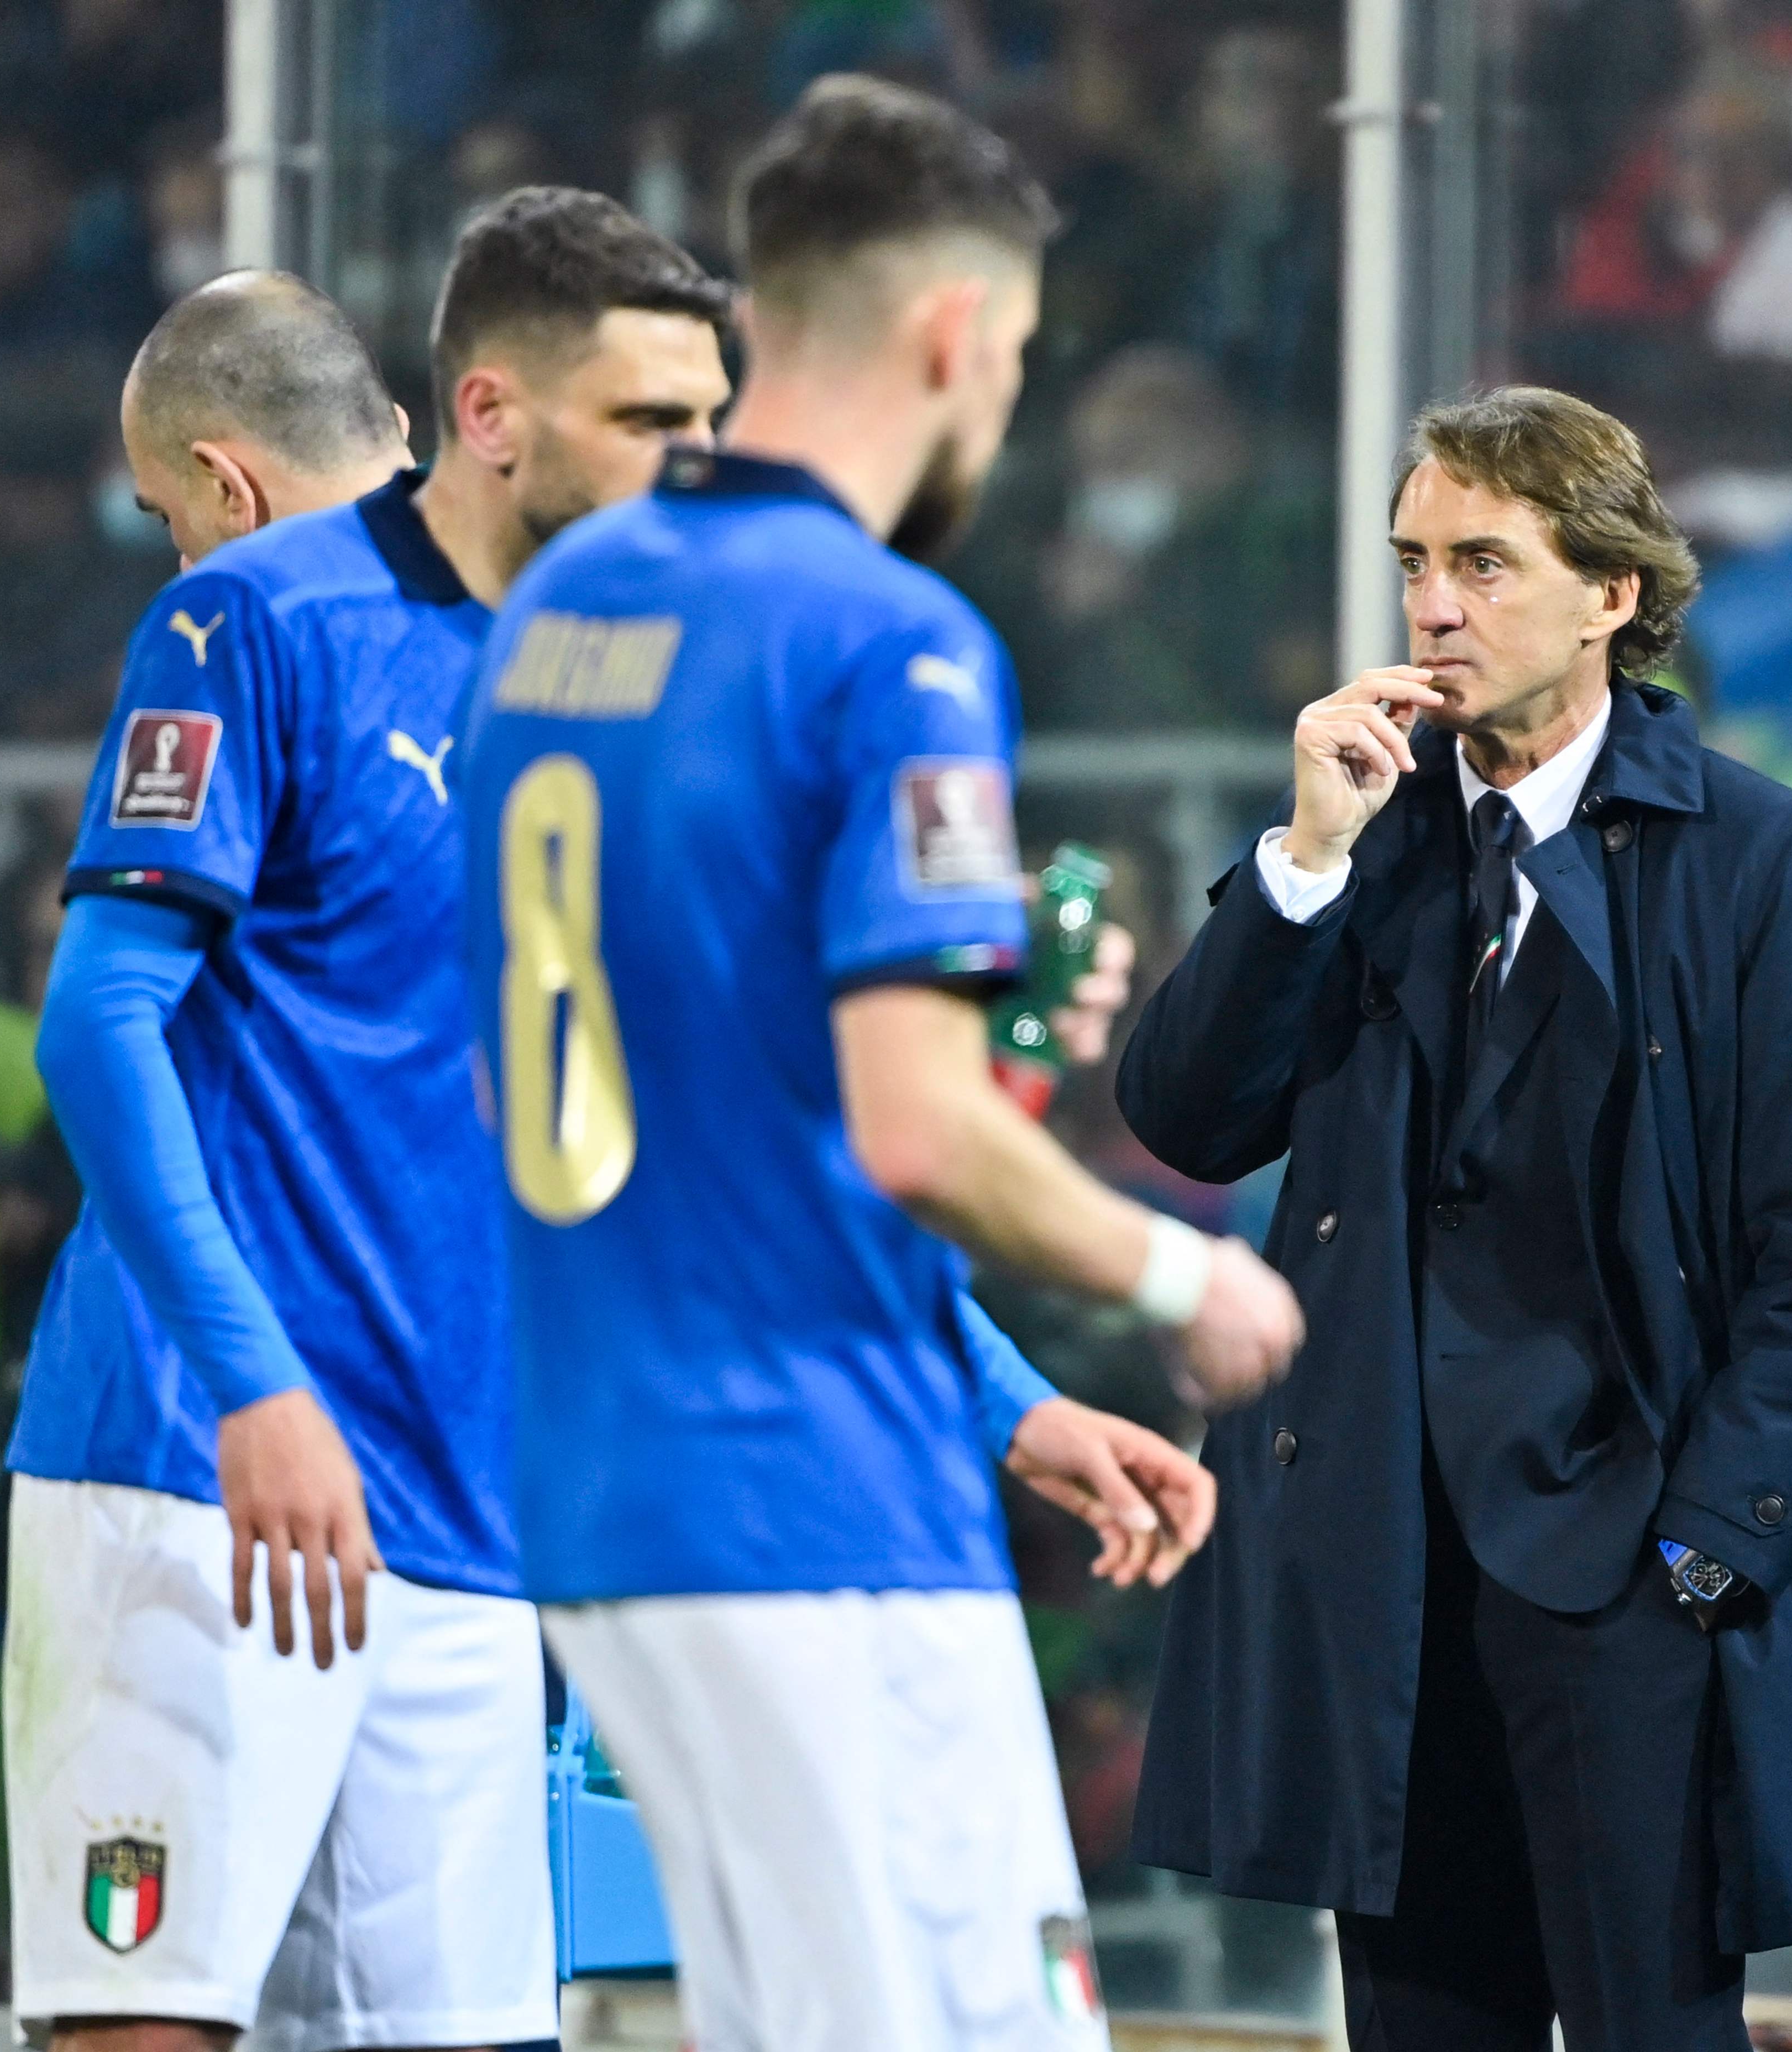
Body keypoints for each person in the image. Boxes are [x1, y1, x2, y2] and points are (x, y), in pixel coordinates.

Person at [8, 201, 1190, 2052]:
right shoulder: (254, 613)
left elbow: (712, 1139)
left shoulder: (619, 692)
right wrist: (252, 1382)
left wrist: (1010, 1401)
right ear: (491, 415)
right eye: (652, 423)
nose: (698, 468)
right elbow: (99, 1023)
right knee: (150, 2025)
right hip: (198, 1464)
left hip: (470, 1502)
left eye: (705, 420)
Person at [457, 76, 1304, 2052]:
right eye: (1009, 360)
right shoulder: (890, 640)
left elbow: (614, 1093)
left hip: (603, 1492)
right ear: (954, 337)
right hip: (815, 1516)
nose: (998, 411)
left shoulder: (564, 608)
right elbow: (911, 1124)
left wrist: (1002, 1403)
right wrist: (1188, 1275)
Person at [1116, 379, 1792, 2052]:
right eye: (1414, 562)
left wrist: (1703, 1560)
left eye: (1482, 562)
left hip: (1633, 1590)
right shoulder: (1369, 842)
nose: (1431, 607)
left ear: (1612, 596)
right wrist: (1305, 865)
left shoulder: (1775, 864)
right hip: (1387, 1586)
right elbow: (1186, 1113)